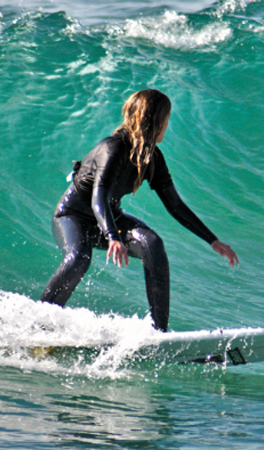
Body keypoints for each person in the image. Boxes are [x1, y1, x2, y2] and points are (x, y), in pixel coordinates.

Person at [40, 89, 239, 331]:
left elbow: (175, 205)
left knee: (152, 243)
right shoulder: (113, 148)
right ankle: (39, 321)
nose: (168, 123)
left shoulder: (152, 158)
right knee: (79, 258)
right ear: (157, 120)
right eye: (167, 118)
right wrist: (112, 236)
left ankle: (159, 333)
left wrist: (212, 240)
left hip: (108, 218)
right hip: (72, 216)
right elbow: (98, 196)